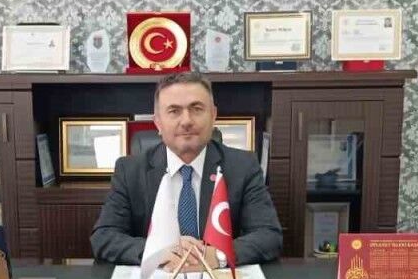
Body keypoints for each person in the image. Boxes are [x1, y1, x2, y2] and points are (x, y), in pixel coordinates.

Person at [91, 72, 282, 268]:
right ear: (158, 122)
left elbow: (268, 235)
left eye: (197, 109)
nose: (186, 121)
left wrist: (219, 255)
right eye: (174, 111)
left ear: (213, 115)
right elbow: (104, 236)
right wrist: (157, 252)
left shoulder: (243, 166)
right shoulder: (130, 170)